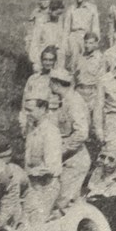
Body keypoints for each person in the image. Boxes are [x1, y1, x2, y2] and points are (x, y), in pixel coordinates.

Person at [49, 68, 91, 211]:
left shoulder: (73, 102)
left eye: (51, 82)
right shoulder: (65, 99)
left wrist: (62, 151)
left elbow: (82, 133)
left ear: (56, 84)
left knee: (65, 204)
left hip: (75, 159)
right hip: (68, 159)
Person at [22, 89, 63, 224]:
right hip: (33, 185)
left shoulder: (51, 132)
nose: (27, 114)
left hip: (46, 186)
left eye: (30, 110)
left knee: (38, 224)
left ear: (43, 108)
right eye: (26, 110)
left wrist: (31, 173)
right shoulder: (31, 128)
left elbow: (52, 169)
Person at [64, 0, 100, 67]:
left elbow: (95, 27)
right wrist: (65, 44)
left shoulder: (92, 8)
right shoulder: (71, 9)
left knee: (87, 58)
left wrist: (95, 41)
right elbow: (66, 29)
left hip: (86, 36)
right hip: (74, 36)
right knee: (74, 59)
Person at [73, 32, 105, 121]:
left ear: (96, 44)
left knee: (95, 123)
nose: (87, 45)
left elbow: (101, 80)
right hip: (80, 92)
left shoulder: (100, 58)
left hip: (93, 93)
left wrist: (99, 98)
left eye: (90, 43)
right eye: (86, 42)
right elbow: (74, 76)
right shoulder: (79, 57)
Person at [29, 0, 66, 73]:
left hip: (57, 57)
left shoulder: (61, 23)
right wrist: (35, 61)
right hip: (43, 56)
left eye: (61, 14)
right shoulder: (41, 23)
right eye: (57, 14)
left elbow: (63, 43)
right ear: (50, 11)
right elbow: (34, 43)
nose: (59, 16)